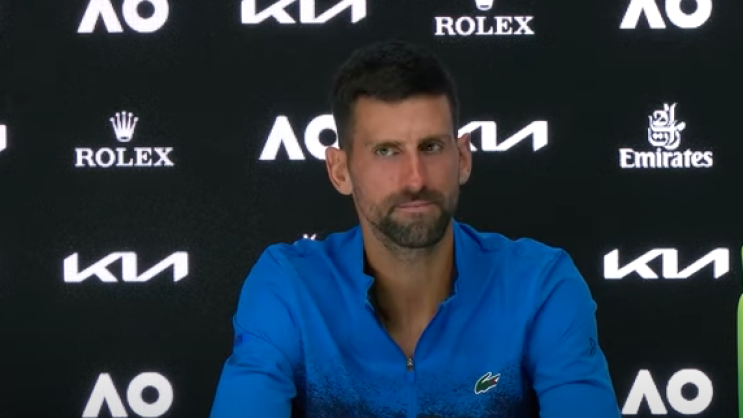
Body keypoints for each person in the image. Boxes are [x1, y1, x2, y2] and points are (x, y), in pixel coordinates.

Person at [209, 40, 621, 417]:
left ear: (462, 158)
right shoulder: (288, 286)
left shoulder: (540, 284)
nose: (415, 179)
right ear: (340, 170)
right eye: (386, 151)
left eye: (431, 147)